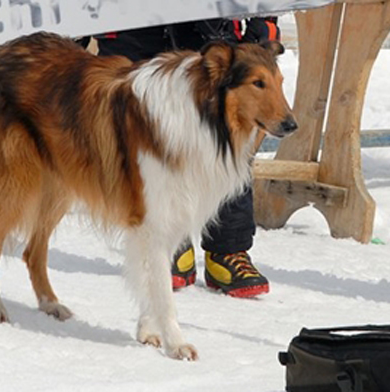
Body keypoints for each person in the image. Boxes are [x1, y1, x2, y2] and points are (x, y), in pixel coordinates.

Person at [91, 17, 280, 298]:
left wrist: (266, 20)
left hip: (208, 21)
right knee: (147, 137)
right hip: (129, 23)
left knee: (223, 132)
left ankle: (228, 249)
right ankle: (169, 242)